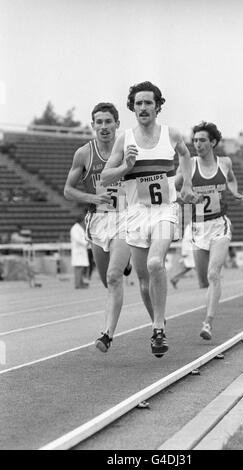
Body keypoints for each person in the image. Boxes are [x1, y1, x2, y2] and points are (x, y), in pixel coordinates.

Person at [101, 81, 195, 357]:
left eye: (148, 103)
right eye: (138, 103)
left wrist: (186, 184)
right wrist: (126, 166)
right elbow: (106, 177)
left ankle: (158, 329)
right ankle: (158, 322)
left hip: (165, 210)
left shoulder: (171, 134)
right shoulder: (125, 139)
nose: (143, 107)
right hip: (136, 215)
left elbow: (185, 154)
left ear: (157, 106)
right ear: (133, 107)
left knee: (156, 263)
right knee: (143, 281)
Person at [64, 102, 133, 352]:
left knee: (115, 277)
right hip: (98, 220)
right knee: (107, 280)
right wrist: (92, 198)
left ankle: (107, 334)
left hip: (126, 218)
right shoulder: (84, 154)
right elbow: (68, 190)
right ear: (92, 125)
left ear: (117, 124)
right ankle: (126, 263)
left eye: (108, 121)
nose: (104, 127)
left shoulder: (128, 150)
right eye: (99, 122)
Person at [176, 121, 243, 340]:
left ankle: (208, 323)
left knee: (213, 274)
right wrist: (184, 197)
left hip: (219, 225)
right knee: (203, 281)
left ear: (213, 142)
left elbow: (232, 179)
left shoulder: (224, 163)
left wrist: (234, 192)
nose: (197, 144)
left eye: (202, 140)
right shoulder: (188, 164)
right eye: (195, 140)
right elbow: (173, 191)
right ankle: (209, 311)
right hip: (198, 228)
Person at [170, 222, 195, 289]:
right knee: (194, 266)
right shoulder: (191, 227)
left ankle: (175, 279)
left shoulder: (191, 226)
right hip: (189, 249)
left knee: (189, 267)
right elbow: (187, 240)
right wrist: (184, 252)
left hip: (190, 248)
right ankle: (174, 278)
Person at [70, 216, 89, 289]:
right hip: (78, 251)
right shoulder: (75, 228)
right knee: (78, 267)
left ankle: (80, 282)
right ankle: (78, 284)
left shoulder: (79, 228)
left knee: (81, 267)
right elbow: (77, 239)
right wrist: (85, 243)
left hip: (80, 250)